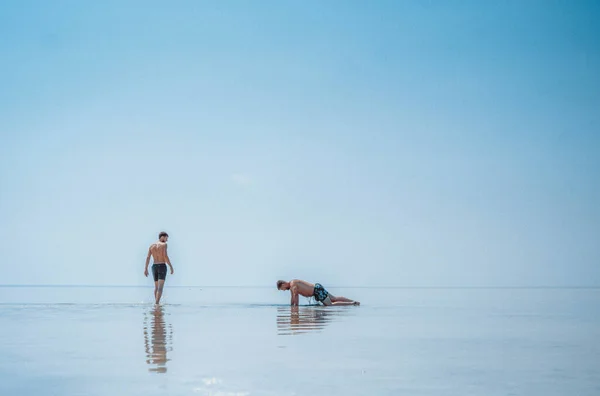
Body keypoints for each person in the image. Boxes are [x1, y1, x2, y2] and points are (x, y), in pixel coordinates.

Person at [276, 279, 360, 306]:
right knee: (334, 299)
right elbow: (292, 299)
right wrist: (291, 307)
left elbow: (296, 297)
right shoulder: (291, 286)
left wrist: (295, 309)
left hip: (316, 291)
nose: (283, 290)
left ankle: (352, 303)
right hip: (317, 287)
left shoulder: (293, 284)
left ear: (283, 284)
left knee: (330, 305)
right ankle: (353, 301)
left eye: (281, 289)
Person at [144, 232, 174, 304]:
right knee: (160, 288)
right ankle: (157, 304)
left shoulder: (152, 246)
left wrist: (145, 268)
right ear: (162, 237)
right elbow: (165, 256)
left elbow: (148, 257)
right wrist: (171, 266)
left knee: (156, 287)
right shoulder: (164, 245)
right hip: (162, 266)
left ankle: (156, 303)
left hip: (154, 267)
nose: (167, 240)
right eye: (166, 238)